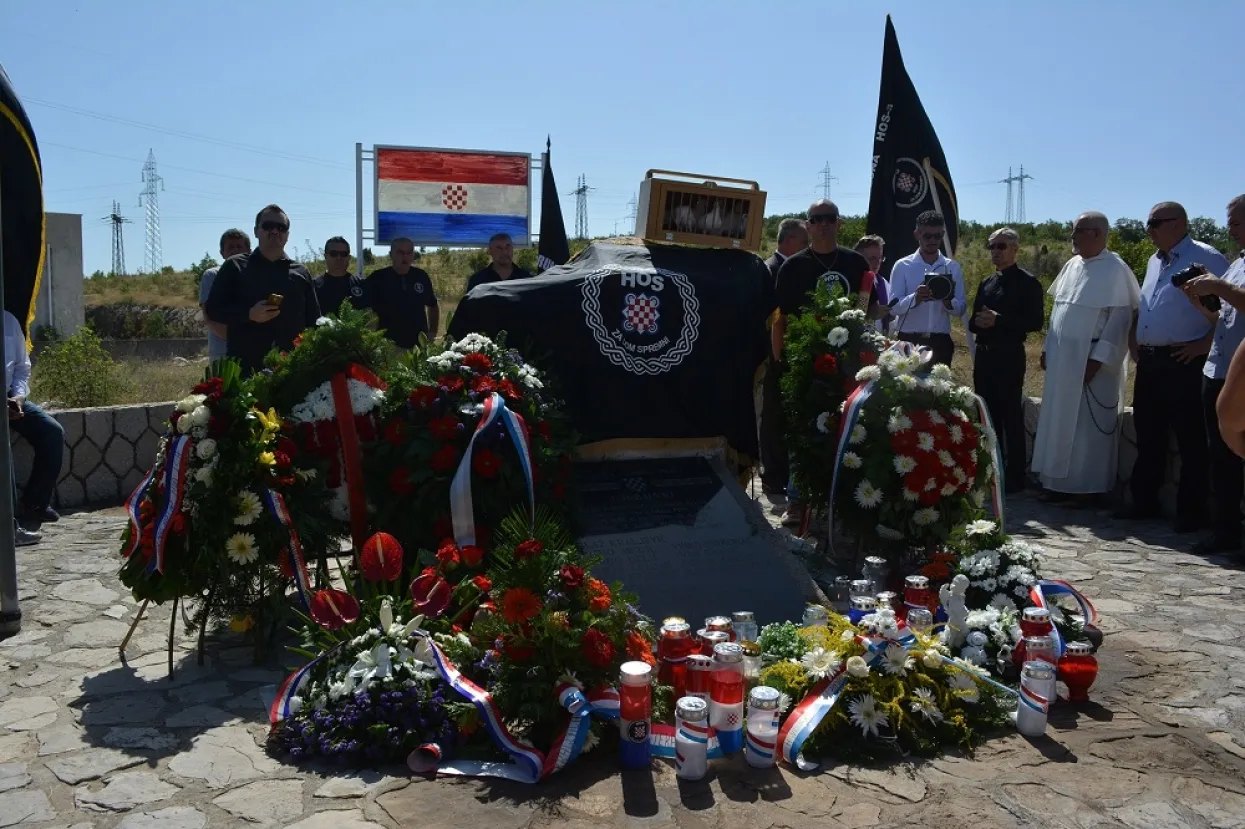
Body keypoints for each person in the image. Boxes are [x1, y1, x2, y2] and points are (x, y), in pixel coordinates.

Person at [1119, 202, 1229, 532]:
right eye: (1148, 223)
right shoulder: (1155, 261)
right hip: (1151, 361)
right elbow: (1147, 306)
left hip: (1185, 360)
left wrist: (1204, 344)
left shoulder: (1207, 257)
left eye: (1155, 223)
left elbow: (1230, 312)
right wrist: (1136, 342)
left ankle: (1191, 513)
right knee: (1148, 433)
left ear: (1178, 224)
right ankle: (1144, 501)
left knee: (1190, 438)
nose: (1149, 230)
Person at [774, 199, 876, 527]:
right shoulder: (794, 267)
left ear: (839, 223)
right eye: (816, 219)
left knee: (850, 430)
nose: (823, 225)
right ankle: (797, 501)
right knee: (803, 432)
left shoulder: (855, 263)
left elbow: (868, 310)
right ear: (807, 225)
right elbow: (780, 318)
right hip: (805, 360)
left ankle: (844, 503)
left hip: (849, 362)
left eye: (829, 218)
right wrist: (780, 359)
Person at [1031, 212, 1140, 504]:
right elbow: (1058, 312)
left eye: (1078, 231)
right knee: (1058, 420)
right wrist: (1047, 348)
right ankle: (1056, 483)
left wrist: (1098, 360)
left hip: (1092, 362)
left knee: (1086, 428)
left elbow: (1120, 322)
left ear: (1097, 234)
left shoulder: (1115, 269)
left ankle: (1086, 489)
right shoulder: (1071, 265)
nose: (1072, 237)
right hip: (1063, 359)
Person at [1180, 194, 1245, 553]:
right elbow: (1227, 319)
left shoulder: (1228, 276)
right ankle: (1225, 531)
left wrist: (1217, 286)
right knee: (1221, 459)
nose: (1230, 229)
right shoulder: (1237, 265)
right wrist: (1202, 305)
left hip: (1241, 376)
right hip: (1218, 369)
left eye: (1235, 222)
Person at [969, 227, 1044, 495]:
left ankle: (1014, 477)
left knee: (1010, 414)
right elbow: (973, 321)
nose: (995, 252)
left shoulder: (1028, 283)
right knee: (986, 414)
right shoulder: (987, 282)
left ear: (1015, 249)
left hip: (1009, 355)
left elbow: (1035, 322)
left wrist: (999, 321)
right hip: (984, 355)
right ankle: (990, 469)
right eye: (991, 246)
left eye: (1001, 246)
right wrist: (979, 322)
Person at [204, 205, 321, 374]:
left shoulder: (301, 273)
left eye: (281, 227)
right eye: (268, 226)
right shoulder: (235, 266)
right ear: (256, 231)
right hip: (246, 369)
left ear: (287, 235)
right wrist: (248, 314)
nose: (275, 231)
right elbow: (213, 310)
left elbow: (314, 321)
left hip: (292, 371)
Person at [758, 218, 808, 496]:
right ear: (788, 241)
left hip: (790, 352)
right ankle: (773, 476)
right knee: (773, 416)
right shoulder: (771, 269)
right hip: (772, 354)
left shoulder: (794, 268)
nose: (807, 247)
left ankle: (783, 473)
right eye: (803, 242)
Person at [5, 310, 62, 543]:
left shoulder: (9, 321)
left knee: (51, 432)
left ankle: (35, 503)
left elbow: (21, 367)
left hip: (11, 397)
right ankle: (8, 528)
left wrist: (18, 397)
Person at [886, 211, 967, 366]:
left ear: (943, 234)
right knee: (907, 382)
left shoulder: (952, 267)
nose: (933, 240)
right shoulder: (902, 266)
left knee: (939, 383)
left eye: (937, 236)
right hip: (909, 340)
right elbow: (893, 308)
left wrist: (948, 301)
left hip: (940, 342)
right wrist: (915, 298)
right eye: (927, 236)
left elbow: (961, 309)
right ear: (917, 234)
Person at [367, 237, 439, 348]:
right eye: (400, 252)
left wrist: (432, 332)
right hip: (388, 346)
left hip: (418, 346)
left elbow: (433, 305)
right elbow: (364, 311)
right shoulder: (377, 278)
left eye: (409, 253)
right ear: (391, 254)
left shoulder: (421, 276)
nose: (405, 257)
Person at [198, 229, 251, 361]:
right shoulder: (212, 275)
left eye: (239, 246)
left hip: (254, 350)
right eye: (230, 247)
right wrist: (241, 340)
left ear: (249, 251)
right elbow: (210, 318)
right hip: (222, 353)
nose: (235, 250)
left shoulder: (256, 277)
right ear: (222, 253)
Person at [313, 236, 368, 315]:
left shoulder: (362, 285)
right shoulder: (313, 287)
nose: (339, 258)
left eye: (343, 254)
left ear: (349, 257)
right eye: (333, 254)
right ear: (325, 256)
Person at [466, 233, 533, 292]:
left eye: (508, 247)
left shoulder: (526, 279)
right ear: (490, 251)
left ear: (512, 249)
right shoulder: (478, 281)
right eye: (499, 248)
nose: (504, 252)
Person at [854, 235, 890, 333]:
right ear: (859, 258)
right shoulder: (851, 283)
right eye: (872, 258)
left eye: (880, 258)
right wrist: (872, 313)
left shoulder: (884, 283)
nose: (878, 262)